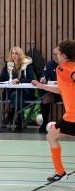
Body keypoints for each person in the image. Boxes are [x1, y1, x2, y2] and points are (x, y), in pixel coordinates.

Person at [31, 39, 75, 182]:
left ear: (63, 55)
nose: (55, 57)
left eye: (57, 54)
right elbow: (61, 88)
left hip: (72, 116)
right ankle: (60, 173)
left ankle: (60, 173)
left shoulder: (61, 68)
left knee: (51, 137)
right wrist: (41, 86)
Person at [0, 47, 35, 130]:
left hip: (25, 91)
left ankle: (13, 114)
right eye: (13, 53)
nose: (14, 55)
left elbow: (30, 79)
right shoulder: (8, 65)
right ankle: (20, 119)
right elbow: (2, 79)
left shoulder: (27, 65)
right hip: (11, 92)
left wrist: (20, 80)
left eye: (16, 53)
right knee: (16, 95)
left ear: (20, 55)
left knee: (18, 94)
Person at [38, 47, 63, 132]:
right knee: (45, 98)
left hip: (66, 92)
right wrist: (43, 79)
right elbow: (43, 75)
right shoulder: (49, 64)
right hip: (55, 92)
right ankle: (44, 123)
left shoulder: (67, 64)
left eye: (57, 54)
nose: (56, 57)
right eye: (54, 54)